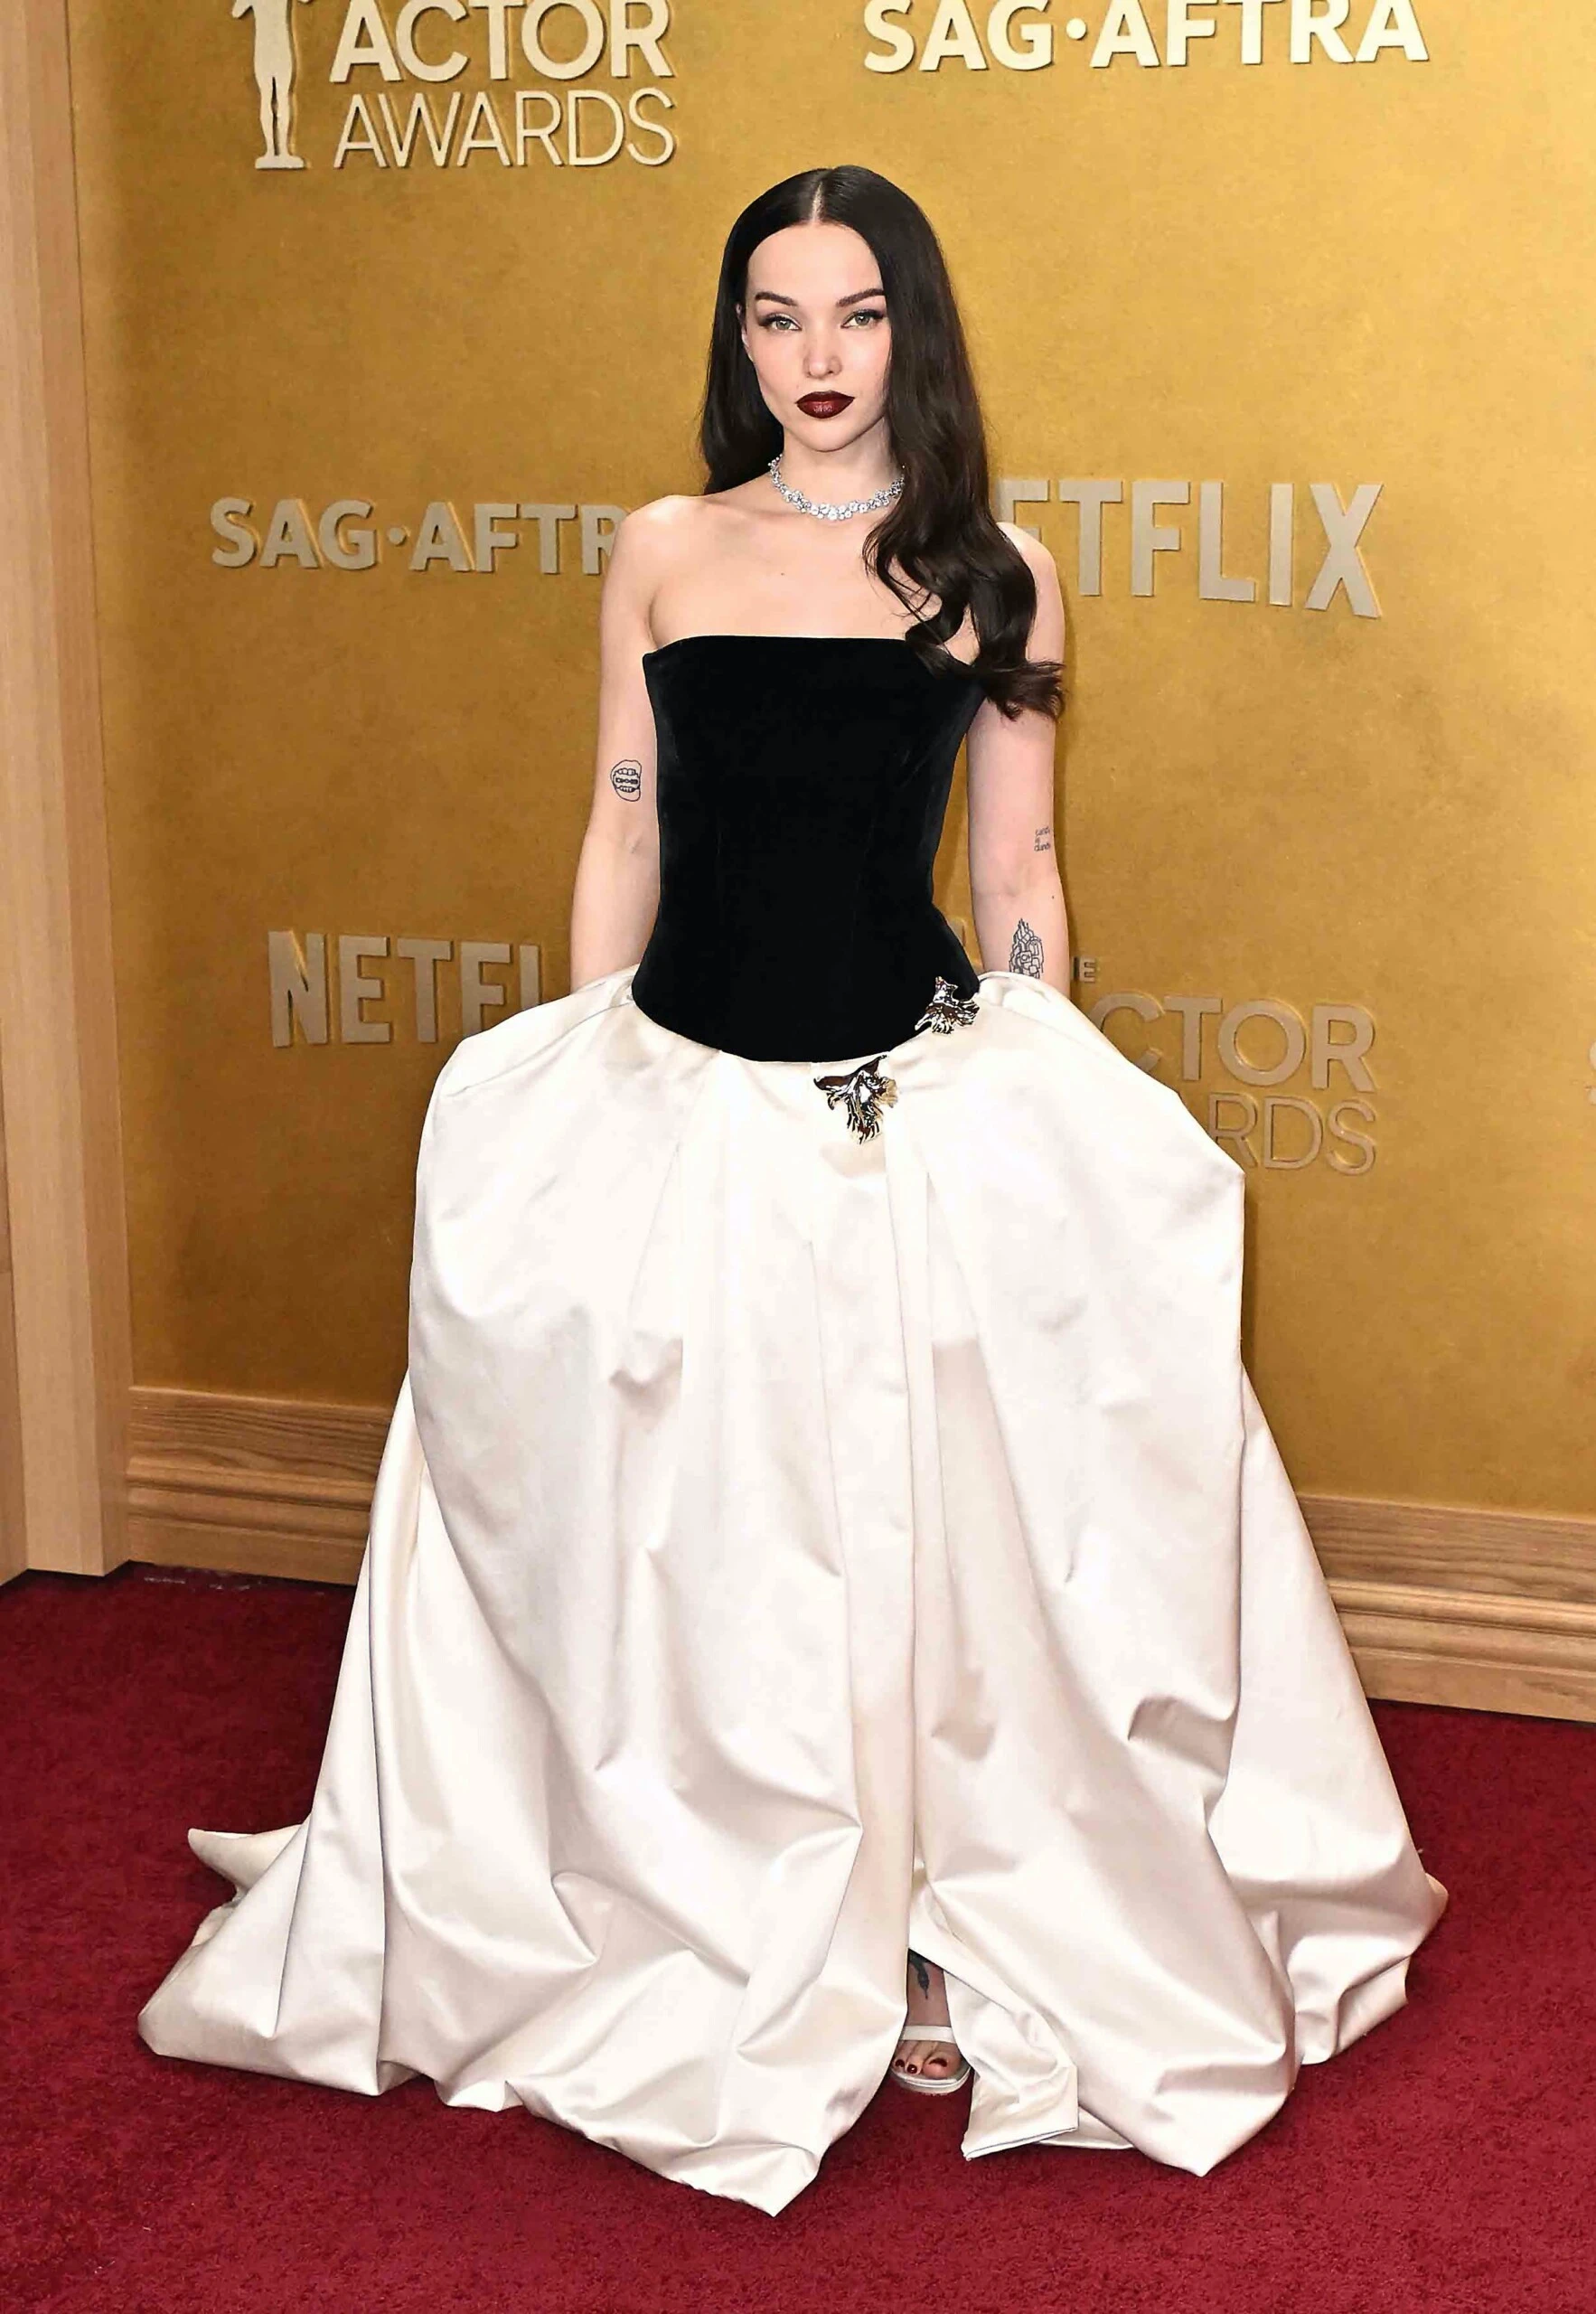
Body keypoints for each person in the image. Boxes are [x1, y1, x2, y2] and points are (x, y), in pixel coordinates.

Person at [137, 165, 1447, 2216]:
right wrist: (588, 1085)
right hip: (679, 1094)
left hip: (896, 1108)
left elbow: (1014, 868)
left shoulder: (995, 573)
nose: (816, 358)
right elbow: (623, 820)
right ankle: (677, 1882)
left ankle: (926, 1916)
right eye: (775, 316)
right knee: (695, 1545)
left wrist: (1041, 1102)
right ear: (735, 338)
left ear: (910, 329)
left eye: (854, 314)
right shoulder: (663, 547)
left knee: (930, 1557)